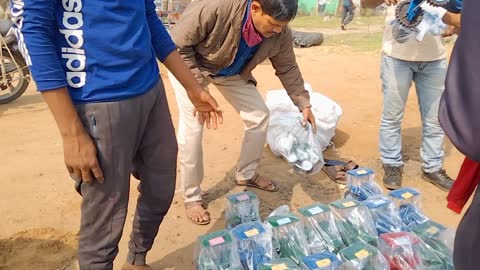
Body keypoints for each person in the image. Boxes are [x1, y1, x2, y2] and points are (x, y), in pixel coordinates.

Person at [11, 0, 221, 269]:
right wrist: (72, 133)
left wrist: (193, 88)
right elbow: (35, 28)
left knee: (161, 189)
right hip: (98, 97)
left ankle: (136, 259)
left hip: (150, 90)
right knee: (106, 217)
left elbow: (149, 19)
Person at [169, 0, 317, 225]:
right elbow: (177, 45)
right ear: (256, 8)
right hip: (189, 68)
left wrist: (303, 103)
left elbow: (287, 66)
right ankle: (192, 196)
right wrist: (197, 90)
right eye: (274, 24)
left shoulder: (280, 32)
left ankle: (246, 174)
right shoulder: (216, 6)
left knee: (259, 116)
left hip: (230, 71)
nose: (277, 31)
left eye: (282, 26)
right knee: (192, 131)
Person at [361, 0, 457, 191]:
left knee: (435, 119)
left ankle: (433, 167)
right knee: (392, 116)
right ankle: (392, 164)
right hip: (396, 58)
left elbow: (459, 11)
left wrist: (453, 26)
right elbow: (366, 4)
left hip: (434, 60)